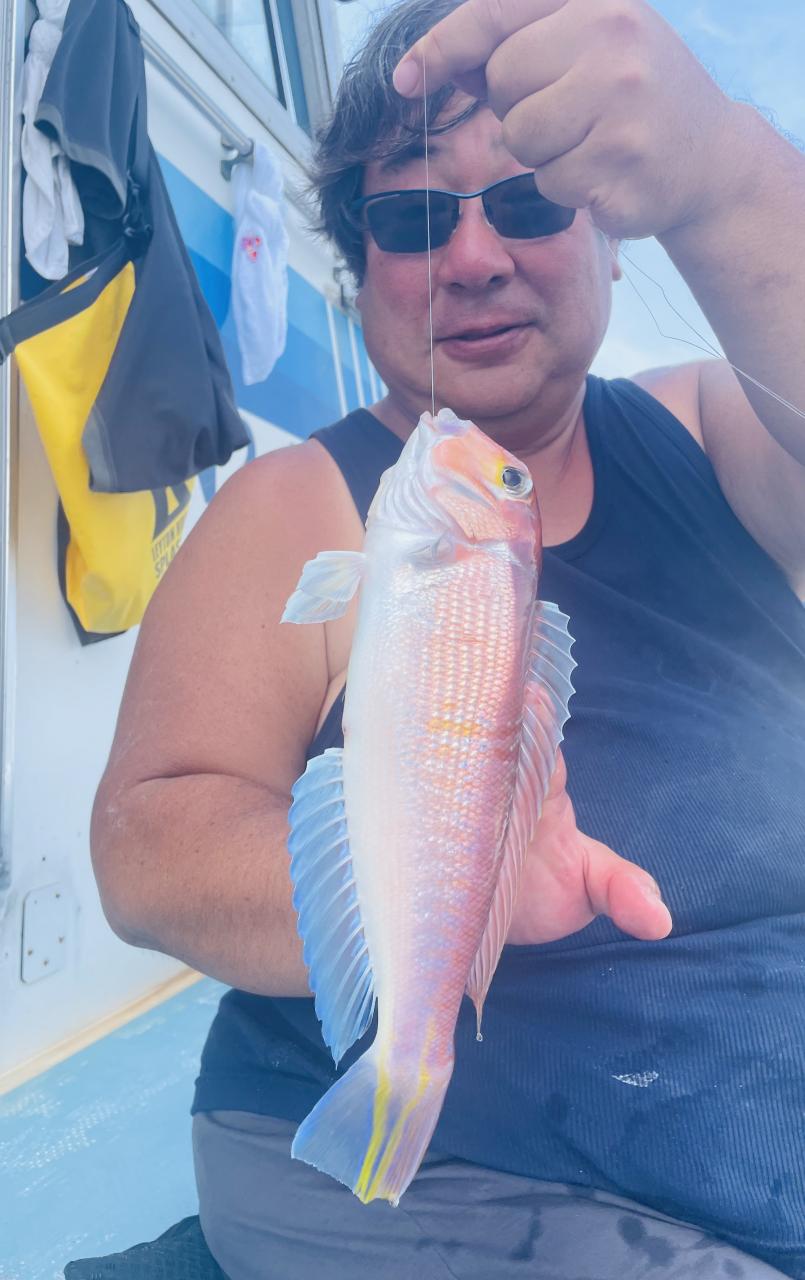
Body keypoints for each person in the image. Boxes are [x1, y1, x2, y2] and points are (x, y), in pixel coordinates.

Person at [90, 0, 805, 1275]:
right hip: (480, 1169)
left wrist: (727, 174)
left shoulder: (713, 421)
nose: (473, 256)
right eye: (415, 219)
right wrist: (440, 893)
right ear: (361, 269)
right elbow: (148, 845)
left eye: (529, 200)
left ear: (614, 238)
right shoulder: (303, 503)